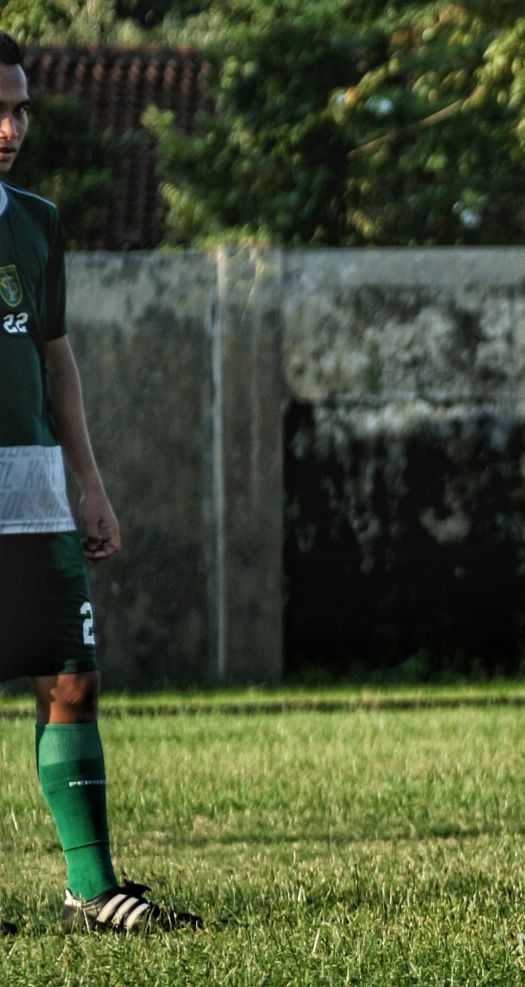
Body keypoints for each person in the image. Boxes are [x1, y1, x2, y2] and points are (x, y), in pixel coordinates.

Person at [0, 31, 200, 934]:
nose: (11, 127)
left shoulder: (35, 222)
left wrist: (90, 482)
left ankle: (93, 886)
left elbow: (56, 359)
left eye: (19, 109)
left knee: (71, 678)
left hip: (33, 486)